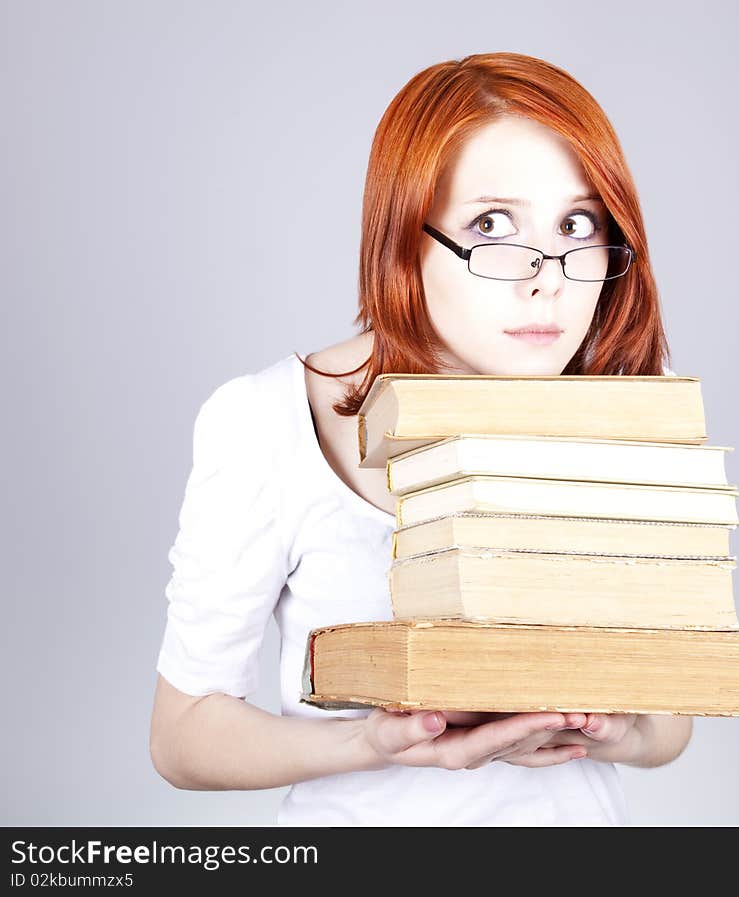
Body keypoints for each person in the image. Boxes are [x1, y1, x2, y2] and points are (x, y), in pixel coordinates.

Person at [149, 51, 693, 826]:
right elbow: (181, 737)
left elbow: (671, 723)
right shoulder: (266, 420)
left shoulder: (633, 406)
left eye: (577, 224)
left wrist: (613, 729)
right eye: (491, 224)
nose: (548, 278)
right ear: (407, 234)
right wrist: (380, 741)